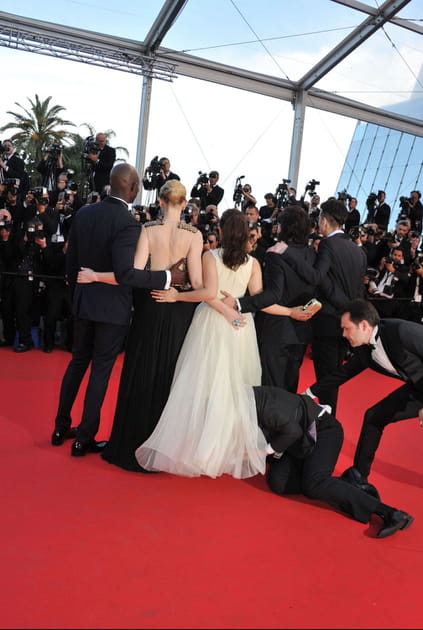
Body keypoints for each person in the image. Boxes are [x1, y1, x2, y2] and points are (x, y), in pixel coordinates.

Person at [135, 209, 311, 478]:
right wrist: (289, 311)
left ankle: (200, 448)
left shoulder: (211, 257)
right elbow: (261, 302)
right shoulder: (253, 264)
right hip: (241, 328)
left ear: (222, 233)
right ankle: (226, 450)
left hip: (211, 325)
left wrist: (176, 297)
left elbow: (208, 294)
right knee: (235, 391)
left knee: (202, 386)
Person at [51, 163, 186, 457]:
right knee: (99, 372)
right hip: (112, 311)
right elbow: (126, 274)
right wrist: (166, 277)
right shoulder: (128, 223)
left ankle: (60, 427)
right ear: (134, 188)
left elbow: (71, 265)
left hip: (84, 304)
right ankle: (83, 438)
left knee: (76, 365)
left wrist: (78, 299)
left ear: (112, 184)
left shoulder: (85, 213)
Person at [78, 179, 206, 471]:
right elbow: (196, 283)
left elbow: (132, 274)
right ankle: (161, 452)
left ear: (160, 202)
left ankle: (129, 446)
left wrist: (98, 276)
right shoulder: (194, 234)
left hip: (148, 306)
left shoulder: (148, 230)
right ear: (185, 204)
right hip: (177, 309)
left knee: (140, 371)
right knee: (168, 376)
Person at [254, 384, 414, 539]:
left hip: (324, 431)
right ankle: (346, 484)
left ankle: (389, 512)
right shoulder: (247, 404)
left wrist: (262, 452)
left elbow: (292, 431)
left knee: (314, 484)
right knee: (279, 483)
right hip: (299, 444)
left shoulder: (265, 403)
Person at [303, 298, 423, 497]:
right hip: (417, 386)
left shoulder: (401, 331)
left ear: (364, 325)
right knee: (374, 416)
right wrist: (308, 394)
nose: (343, 334)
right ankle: (358, 477)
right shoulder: (365, 350)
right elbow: (342, 374)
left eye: (347, 329)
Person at [273, 198, 368, 415]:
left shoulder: (329, 244)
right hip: (347, 325)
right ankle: (328, 424)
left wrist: (286, 252)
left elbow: (316, 276)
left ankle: (326, 429)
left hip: (326, 323)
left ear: (324, 220)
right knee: (332, 378)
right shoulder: (359, 252)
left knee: (326, 381)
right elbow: (353, 289)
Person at [223, 206, 318, 393]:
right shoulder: (312, 255)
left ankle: (271, 422)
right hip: (302, 329)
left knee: (272, 385)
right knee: (290, 384)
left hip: (276, 329)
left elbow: (274, 294)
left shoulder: (276, 254)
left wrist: (240, 303)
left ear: (285, 227)